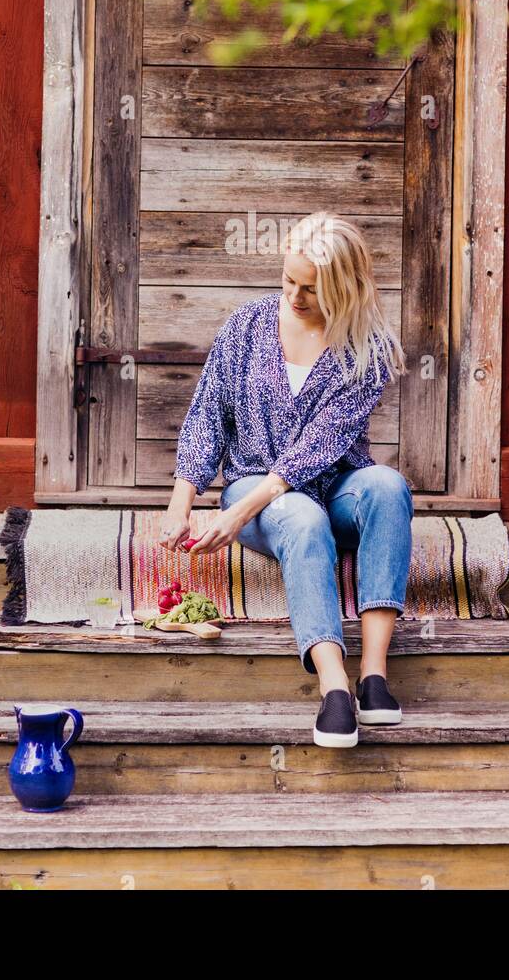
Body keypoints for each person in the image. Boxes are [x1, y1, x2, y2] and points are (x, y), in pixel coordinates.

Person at [159, 211, 414, 748]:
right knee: (300, 514)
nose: (295, 298)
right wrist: (182, 502)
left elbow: (316, 448)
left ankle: (373, 677)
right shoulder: (246, 327)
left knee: (388, 486)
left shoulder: (367, 351)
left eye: (312, 290)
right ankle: (334, 688)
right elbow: (208, 415)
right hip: (263, 494)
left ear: (345, 289)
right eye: (288, 282)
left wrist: (237, 515)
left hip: (333, 490)